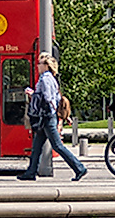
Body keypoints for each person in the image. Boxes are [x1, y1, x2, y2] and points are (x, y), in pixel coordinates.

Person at [18, 52, 89, 181]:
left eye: (40, 63)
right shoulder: (51, 78)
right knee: (37, 146)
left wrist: (32, 94)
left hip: (46, 117)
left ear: (46, 65)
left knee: (57, 145)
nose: (38, 66)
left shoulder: (45, 79)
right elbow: (56, 97)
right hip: (48, 116)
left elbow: (47, 98)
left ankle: (79, 168)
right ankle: (31, 172)